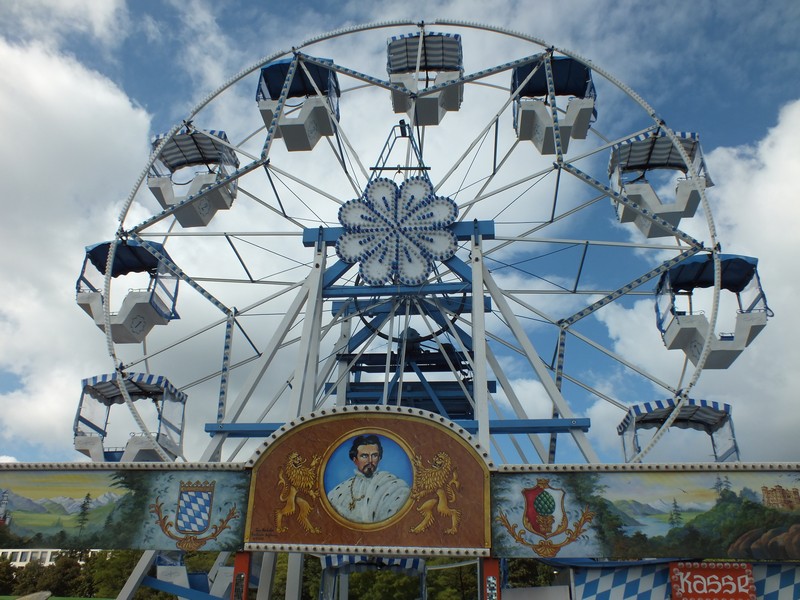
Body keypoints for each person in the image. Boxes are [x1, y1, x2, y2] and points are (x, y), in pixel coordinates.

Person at [326, 434, 411, 523]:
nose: (370, 460)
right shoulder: (340, 491)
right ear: (355, 460)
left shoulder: (394, 486)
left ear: (379, 458)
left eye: (374, 455)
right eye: (364, 456)